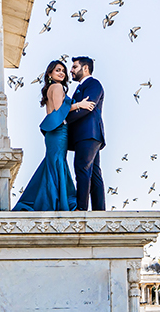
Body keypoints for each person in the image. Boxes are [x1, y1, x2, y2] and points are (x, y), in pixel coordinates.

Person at [13, 60, 95, 211]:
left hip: (53, 132)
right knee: (57, 163)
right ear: (49, 73)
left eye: (63, 70)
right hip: (58, 131)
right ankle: (56, 202)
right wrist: (79, 105)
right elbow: (58, 109)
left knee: (53, 163)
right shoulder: (57, 87)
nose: (62, 73)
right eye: (58, 70)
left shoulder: (51, 88)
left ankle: (51, 199)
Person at [67, 55, 105, 211]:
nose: (71, 70)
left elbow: (86, 108)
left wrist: (64, 118)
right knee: (94, 173)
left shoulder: (93, 84)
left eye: (74, 67)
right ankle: (99, 210)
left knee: (82, 169)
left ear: (85, 68)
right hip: (89, 135)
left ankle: (81, 208)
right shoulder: (81, 87)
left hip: (88, 134)